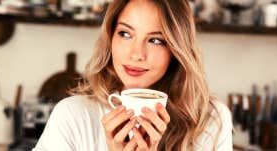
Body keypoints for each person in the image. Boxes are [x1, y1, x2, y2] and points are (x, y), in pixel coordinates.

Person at [33, 0, 233, 151]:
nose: (136, 54)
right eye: (125, 34)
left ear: (176, 49)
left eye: (155, 40)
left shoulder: (211, 121)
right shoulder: (72, 116)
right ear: (111, 38)